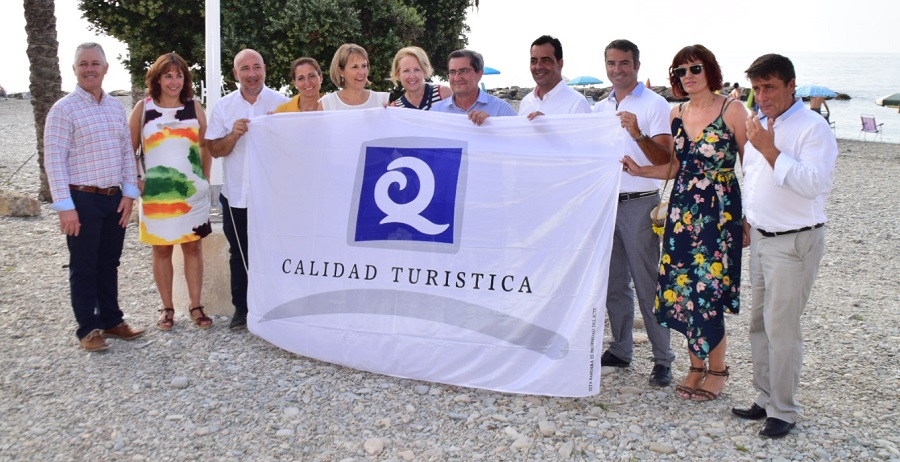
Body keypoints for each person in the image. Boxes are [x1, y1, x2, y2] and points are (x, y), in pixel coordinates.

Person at [622, 44, 748, 401]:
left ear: (709, 70)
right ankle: (695, 367)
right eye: (680, 71)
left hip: (718, 215)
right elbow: (677, 167)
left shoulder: (733, 109)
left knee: (708, 290)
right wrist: (641, 169)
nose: (688, 76)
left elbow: (751, 167)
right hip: (681, 214)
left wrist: (748, 218)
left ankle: (718, 369)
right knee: (682, 289)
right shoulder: (676, 113)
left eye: (694, 69)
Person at [731, 53, 837, 439]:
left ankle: (784, 410)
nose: (762, 96)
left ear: (792, 85)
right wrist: (748, 217)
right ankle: (766, 398)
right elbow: (755, 177)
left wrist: (769, 149)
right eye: (757, 89)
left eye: (770, 87)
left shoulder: (813, 128)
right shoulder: (759, 122)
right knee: (759, 324)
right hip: (761, 236)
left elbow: (815, 184)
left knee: (783, 329)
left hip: (794, 240)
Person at [44, 42, 145, 351]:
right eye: (83, 64)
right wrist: (65, 207)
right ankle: (88, 328)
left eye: (95, 63)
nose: (90, 68)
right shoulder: (63, 110)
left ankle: (113, 320)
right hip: (82, 199)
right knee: (84, 265)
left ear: (105, 68)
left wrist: (129, 194)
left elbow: (126, 153)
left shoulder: (116, 107)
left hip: (114, 199)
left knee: (109, 262)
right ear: (74, 69)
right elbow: (54, 160)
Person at [591, 39, 675, 387]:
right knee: (613, 284)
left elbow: (666, 160)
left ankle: (663, 359)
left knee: (646, 283)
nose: (617, 70)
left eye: (624, 63)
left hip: (641, 203)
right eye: (611, 63)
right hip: (605, 203)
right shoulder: (598, 108)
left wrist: (637, 133)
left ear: (637, 65)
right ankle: (622, 349)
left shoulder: (655, 104)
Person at [128, 52, 213, 331]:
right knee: (162, 251)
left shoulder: (193, 107)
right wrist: (137, 182)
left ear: (185, 78)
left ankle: (196, 306)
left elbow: (204, 145)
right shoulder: (144, 108)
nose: (174, 81)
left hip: (192, 195)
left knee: (192, 247)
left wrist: (205, 179)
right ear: (158, 78)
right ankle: (167, 309)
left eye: (179, 75)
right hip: (156, 195)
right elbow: (129, 150)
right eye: (168, 75)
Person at [206, 49, 289, 330]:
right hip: (236, 195)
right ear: (235, 74)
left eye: (256, 67)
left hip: (271, 197)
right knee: (238, 254)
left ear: (265, 69)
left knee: (273, 252)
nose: (252, 74)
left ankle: (274, 307)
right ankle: (241, 310)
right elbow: (215, 150)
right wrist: (233, 135)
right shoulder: (223, 107)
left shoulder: (283, 104)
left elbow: (295, 146)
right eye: (245, 69)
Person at [431, 49, 516, 124]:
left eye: (464, 71)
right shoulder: (436, 112)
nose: (457, 78)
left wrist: (492, 125)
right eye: (452, 72)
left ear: (479, 73)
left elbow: (518, 140)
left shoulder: (502, 111)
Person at [517, 35, 591, 118]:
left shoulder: (577, 103)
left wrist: (550, 126)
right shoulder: (526, 102)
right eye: (533, 61)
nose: (538, 66)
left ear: (560, 63)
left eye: (546, 60)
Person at [320, 44, 389, 110]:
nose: (362, 72)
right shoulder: (326, 104)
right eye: (355, 67)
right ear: (340, 71)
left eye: (364, 66)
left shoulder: (382, 100)